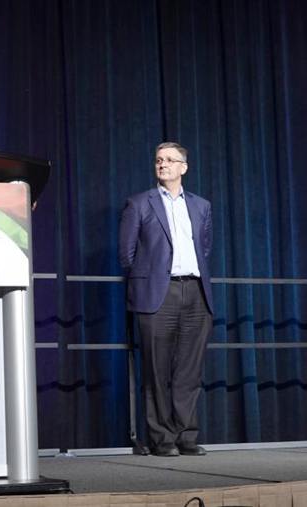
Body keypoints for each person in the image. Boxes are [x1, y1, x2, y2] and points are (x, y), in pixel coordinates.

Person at [118, 141, 213, 457]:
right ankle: (162, 439)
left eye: (170, 160)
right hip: (158, 294)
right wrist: (149, 280)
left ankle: (186, 435)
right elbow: (126, 254)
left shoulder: (201, 205)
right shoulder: (139, 203)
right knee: (157, 371)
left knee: (189, 370)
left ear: (183, 167)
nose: (163, 165)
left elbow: (205, 247)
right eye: (159, 160)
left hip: (196, 292)